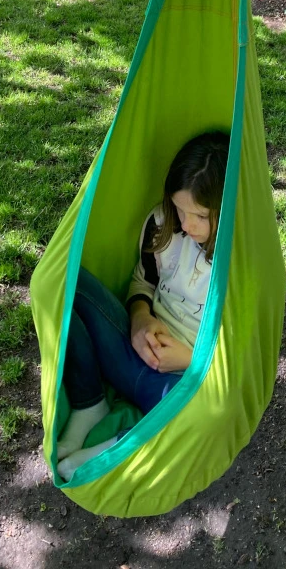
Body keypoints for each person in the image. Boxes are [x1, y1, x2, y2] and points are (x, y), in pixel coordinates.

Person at [55, 130, 230, 480]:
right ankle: (90, 403)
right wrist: (139, 319)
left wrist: (192, 361)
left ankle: (122, 444)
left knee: (209, 417)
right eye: (179, 209)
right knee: (63, 280)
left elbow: (241, 357)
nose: (187, 224)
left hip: (181, 383)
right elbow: (143, 281)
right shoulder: (163, 224)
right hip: (130, 351)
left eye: (200, 215)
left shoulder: (239, 258)